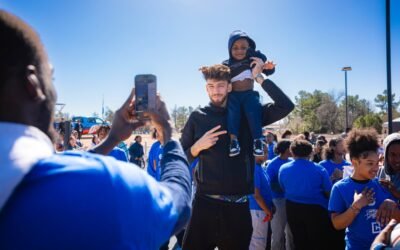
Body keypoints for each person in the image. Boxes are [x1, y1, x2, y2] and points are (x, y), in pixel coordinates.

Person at [0, 10, 191, 249]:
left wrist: (110, 140)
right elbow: (178, 206)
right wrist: (170, 134)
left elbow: (45, 169)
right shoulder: (106, 184)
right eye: (51, 77)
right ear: (33, 85)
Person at [180, 63, 294, 249]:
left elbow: (286, 106)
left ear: (230, 86)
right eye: (211, 86)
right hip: (204, 204)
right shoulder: (197, 117)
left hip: (238, 207)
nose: (216, 91)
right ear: (205, 88)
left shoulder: (250, 112)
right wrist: (196, 148)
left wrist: (260, 78)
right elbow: (180, 159)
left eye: (220, 86)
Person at [329, 129, 397, 250]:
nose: (376, 168)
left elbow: (397, 219)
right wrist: (356, 206)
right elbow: (337, 224)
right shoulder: (340, 188)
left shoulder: (383, 185)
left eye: (377, 163)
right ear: (355, 162)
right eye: (370, 163)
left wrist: (392, 204)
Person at [222, 30, 276, 157]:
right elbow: (218, 74)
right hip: (233, 95)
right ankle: (233, 141)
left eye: (243, 47)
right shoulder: (226, 64)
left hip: (249, 94)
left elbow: (265, 67)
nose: (239, 50)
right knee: (232, 114)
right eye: (235, 48)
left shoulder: (251, 60)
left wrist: (269, 67)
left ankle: (257, 140)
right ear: (229, 49)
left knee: (254, 112)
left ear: (249, 48)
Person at [278, 139, 334, 250]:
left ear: (292, 152)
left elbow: (282, 186)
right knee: (317, 242)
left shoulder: (283, 169)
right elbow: (329, 191)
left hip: (292, 208)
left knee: (299, 242)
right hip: (316, 210)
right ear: (310, 152)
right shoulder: (319, 169)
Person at [266, 139, 294, 250]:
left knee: (291, 233)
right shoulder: (273, 164)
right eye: (291, 147)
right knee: (278, 233)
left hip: (291, 200)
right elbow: (269, 183)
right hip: (277, 200)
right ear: (287, 149)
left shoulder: (292, 161)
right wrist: (282, 186)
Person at [248, 143, 274, 250]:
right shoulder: (254, 169)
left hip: (261, 210)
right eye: (265, 152)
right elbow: (256, 194)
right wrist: (267, 210)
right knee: (257, 244)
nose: (267, 154)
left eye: (267, 151)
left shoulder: (260, 168)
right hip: (257, 211)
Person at [379, 133, 400, 199]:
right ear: (386, 155)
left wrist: (396, 193)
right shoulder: (379, 173)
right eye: (393, 154)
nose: (397, 160)